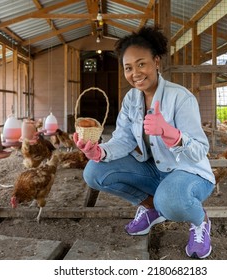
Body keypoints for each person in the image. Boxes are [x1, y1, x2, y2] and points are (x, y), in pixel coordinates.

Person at [73, 26, 216, 259]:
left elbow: (200, 150)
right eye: (128, 68)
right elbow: (123, 139)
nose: (135, 73)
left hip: (189, 171)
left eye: (141, 64)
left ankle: (200, 221)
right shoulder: (131, 98)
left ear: (156, 62)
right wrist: (100, 152)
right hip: (155, 170)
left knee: (171, 202)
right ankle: (151, 208)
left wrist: (172, 134)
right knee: (94, 172)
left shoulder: (180, 97)